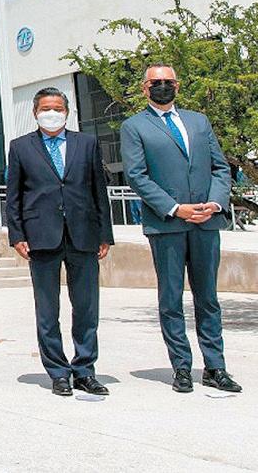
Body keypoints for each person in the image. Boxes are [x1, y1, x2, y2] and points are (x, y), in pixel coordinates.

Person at [120, 64, 242, 394]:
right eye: (155, 82)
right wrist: (175, 208)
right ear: (145, 88)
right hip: (167, 225)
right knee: (171, 300)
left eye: (168, 81)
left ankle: (215, 367)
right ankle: (182, 367)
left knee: (208, 298)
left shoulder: (199, 121)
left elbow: (220, 167)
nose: (162, 86)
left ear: (178, 85)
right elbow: (136, 175)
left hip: (206, 222)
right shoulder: (134, 127)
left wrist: (215, 203)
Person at [6, 88, 114, 396]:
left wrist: (105, 234)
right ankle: (58, 372)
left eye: (57, 108)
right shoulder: (20, 147)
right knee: (47, 310)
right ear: (35, 113)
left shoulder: (87, 143)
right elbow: (14, 196)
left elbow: (99, 191)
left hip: (84, 235)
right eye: (45, 109)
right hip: (41, 237)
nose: (51, 113)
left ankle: (84, 370)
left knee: (86, 308)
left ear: (67, 112)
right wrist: (17, 235)